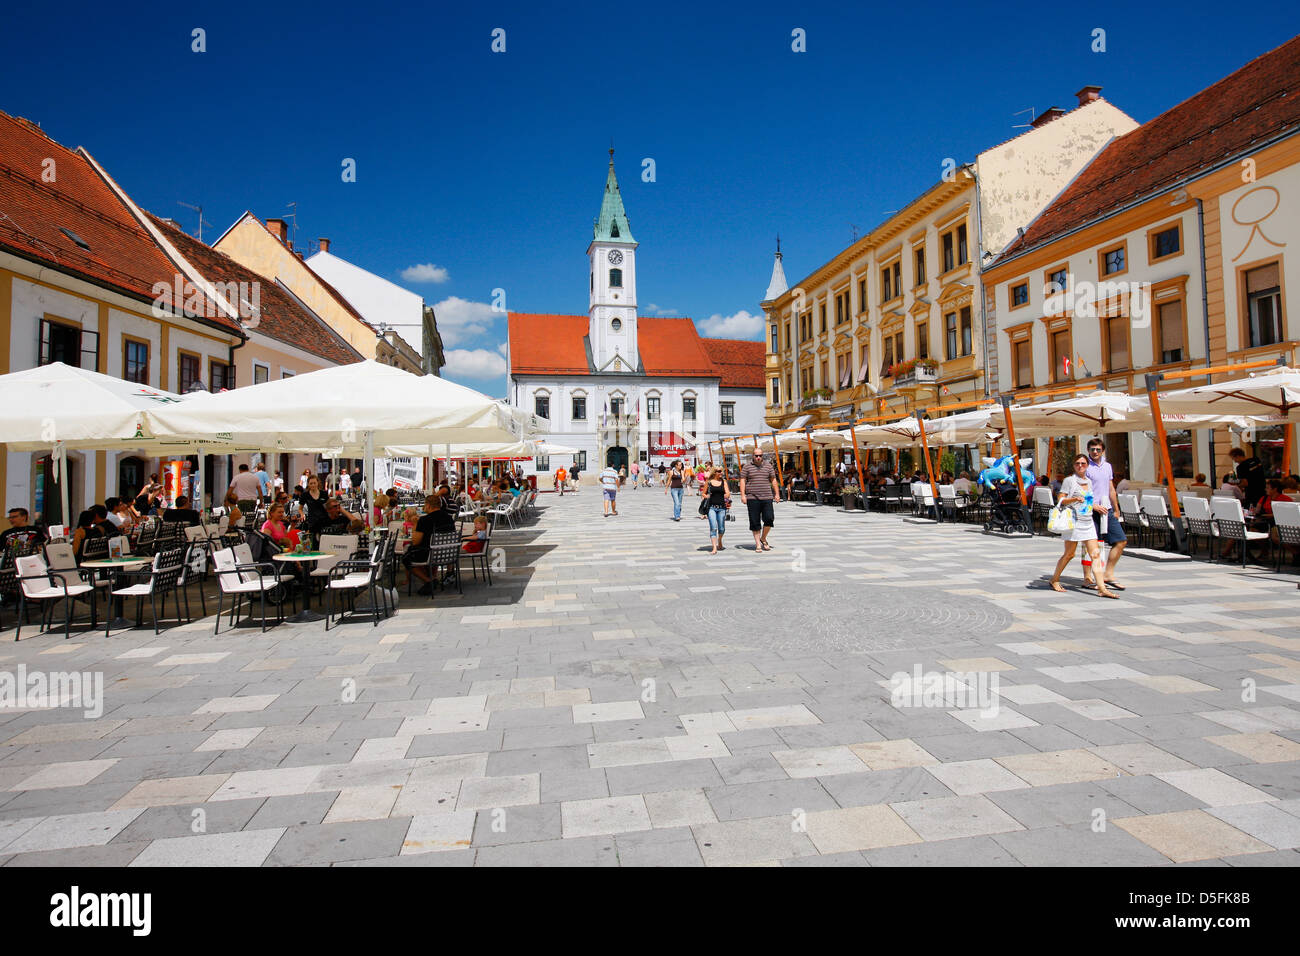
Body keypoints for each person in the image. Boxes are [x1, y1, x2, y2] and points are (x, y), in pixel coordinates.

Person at [1049, 454, 1118, 598]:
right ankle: (1054, 579)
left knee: (1096, 554)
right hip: (1074, 522)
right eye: (1077, 463)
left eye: (1083, 463)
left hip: (1088, 522)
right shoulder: (1069, 481)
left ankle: (1102, 588)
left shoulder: (1089, 481)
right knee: (1069, 554)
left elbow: (1087, 502)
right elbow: (1060, 499)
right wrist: (1074, 499)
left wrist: (1095, 506)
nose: (1080, 466)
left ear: (1087, 465)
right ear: (1074, 466)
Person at [1082, 437, 1126, 591]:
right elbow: (1080, 491)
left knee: (1120, 541)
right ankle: (1088, 577)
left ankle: (1108, 573)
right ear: (1088, 450)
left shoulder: (1107, 466)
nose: (1095, 452)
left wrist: (1116, 508)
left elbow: (1111, 488)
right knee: (1092, 546)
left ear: (1103, 450)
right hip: (1089, 510)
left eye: (1098, 449)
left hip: (1106, 509)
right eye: (1092, 449)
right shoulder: (1084, 466)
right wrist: (1093, 506)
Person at [404, 494, 456, 595]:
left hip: (430, 554)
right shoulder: (449, 518)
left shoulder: (424, 520)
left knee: (407, 557)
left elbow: (416, 541)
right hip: (448, 553)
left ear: (428, 505)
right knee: (420, 551)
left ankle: (428, 580)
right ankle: (432, 578)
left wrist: (415, 525)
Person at [739, 448, 781, 553]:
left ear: (763, 456)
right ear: (753, 456)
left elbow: (773, 480)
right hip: (752, 498)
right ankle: (758, 543)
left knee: (769, 518)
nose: (758, 457)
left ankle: (763, 537)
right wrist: (743, 495)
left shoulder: (768, 466)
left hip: (767, 497)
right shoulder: (747, 467)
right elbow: (743, 480)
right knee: (755, 521)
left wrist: (777, 494)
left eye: (760, 455)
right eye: (756, 455)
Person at [703, 466, 730, 554]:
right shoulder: (709, 482)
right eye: (719, 471)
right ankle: (714, 547)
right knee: (713, 527)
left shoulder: (723, 481)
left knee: (721, 528)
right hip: (711, 507)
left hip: (722, 507)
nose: (721, 473)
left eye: (722, 471)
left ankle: (720, 540)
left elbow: (728, 493)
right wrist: (706, 496)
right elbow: (703, 493)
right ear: (714, 472)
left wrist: (724, 496)